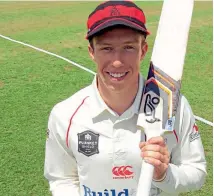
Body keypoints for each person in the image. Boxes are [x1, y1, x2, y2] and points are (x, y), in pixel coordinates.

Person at [44, 1, 207, 196]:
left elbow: (196, 172)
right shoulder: (65, 115)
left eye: (128, 47)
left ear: (143, 51)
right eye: (106, 48)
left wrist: (164, 174)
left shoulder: (173, 106)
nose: (117, 61)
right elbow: (62, 179)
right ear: (91, 52)